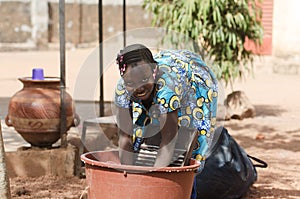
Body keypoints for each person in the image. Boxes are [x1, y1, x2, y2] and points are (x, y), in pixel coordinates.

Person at [114, 43, 218, 198]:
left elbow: (168, 143)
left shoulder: (167, 90)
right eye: (131, 83)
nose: (139, 87)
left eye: (144, 79)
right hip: (163, 89)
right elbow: (125, 138)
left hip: (194, 81)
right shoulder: (123, 89)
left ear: (154, 72)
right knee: (145, 131)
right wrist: (130, 179)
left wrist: (156, 184)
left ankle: (189, 193)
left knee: (190, 148)